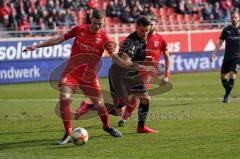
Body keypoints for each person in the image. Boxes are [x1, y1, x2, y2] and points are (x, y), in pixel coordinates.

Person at [23, 9, 129, 145]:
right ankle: (68, 132)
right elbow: (60, 39)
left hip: (89, 77)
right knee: (64, 98)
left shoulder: (105, 38)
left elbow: (114, 56)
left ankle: (107, 127)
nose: (98, 26)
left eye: (101, 24)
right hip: (72, 73)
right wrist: (37, 46)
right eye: (96, 23)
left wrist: (126, 65)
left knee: (100, 106)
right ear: (91, 19)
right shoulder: (79, 29)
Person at [76, 16, 159, 133]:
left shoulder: (142, 38)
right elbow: (125, 61)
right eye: (142, 31)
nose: (145, 33)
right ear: (136, 27)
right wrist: (144, 66)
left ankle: (141, 127)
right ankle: (89, 107)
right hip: (120, 75)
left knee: (134, 103)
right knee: (122, 105)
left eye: (147, 31)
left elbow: (134, 58)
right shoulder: (132, 42)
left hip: (129, 74)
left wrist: (145, 59)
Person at [117, 17, 170, 126]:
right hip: (135, 70)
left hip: (149, 73)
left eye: (152, 24)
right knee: (134, 97)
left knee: (139, 97)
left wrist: (166, 75)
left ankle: (124, 118)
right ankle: (110, 110)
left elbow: (167, 58)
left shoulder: (161, 39)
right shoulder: (140, 38)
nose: (149, 28)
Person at [211, 11, 240, 103]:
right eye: (232, 17)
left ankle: (226, 96)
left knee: (232, 74)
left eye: (235, 17)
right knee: (223, 77)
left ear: (239, 18)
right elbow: (220, 43)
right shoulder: (226, 30)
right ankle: (229, 91)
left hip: (238, 57)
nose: (234, 19)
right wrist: (214, 53)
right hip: (227, 57)